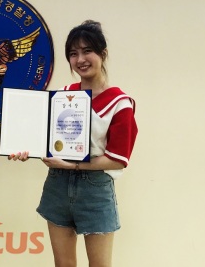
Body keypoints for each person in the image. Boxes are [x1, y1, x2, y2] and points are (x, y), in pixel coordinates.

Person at [9, 20, 138, 267]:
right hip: (58, 185)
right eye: (73, 53)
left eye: (87, 51)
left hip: (95, 189)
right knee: (63, 264)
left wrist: (72, 166)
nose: (80, 59)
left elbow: (117, 160)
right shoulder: (63, 94)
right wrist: (26, 147)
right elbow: (44, 137)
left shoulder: (120, 103)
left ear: (103, 54)